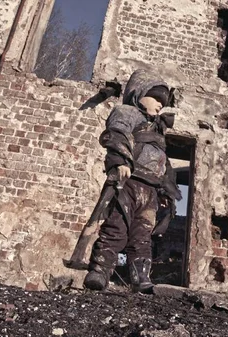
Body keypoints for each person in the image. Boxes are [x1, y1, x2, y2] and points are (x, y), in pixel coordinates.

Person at [84, 69, 182, 292]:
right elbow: (116, 134)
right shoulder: (127, 113)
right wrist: (119, 162)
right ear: (138, 94)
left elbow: (163, 162)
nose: (159, 104)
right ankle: (100, 271)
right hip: (128, 182)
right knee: (116, 226)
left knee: (143, 233)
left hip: (150, 189)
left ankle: (141, 278)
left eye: (163, 102)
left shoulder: (158, 130)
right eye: (155, 98)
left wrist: (166, 191)